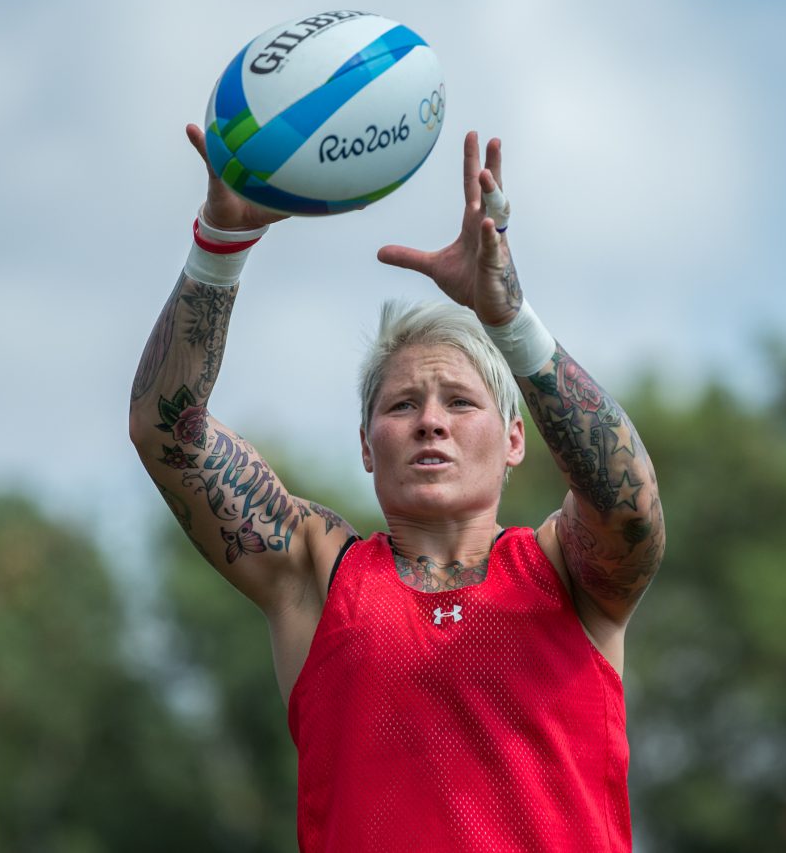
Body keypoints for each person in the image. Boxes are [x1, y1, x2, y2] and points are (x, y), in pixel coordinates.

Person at [129, 123, 665, 852]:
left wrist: (509, 320)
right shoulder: (317, 574)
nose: (431, 422)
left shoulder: (567, 571)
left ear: (515, 440)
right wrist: (220, 241)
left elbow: (629, 506)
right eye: (402, 404)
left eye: (461, 402)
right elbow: (169, 434)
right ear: (365, 444)